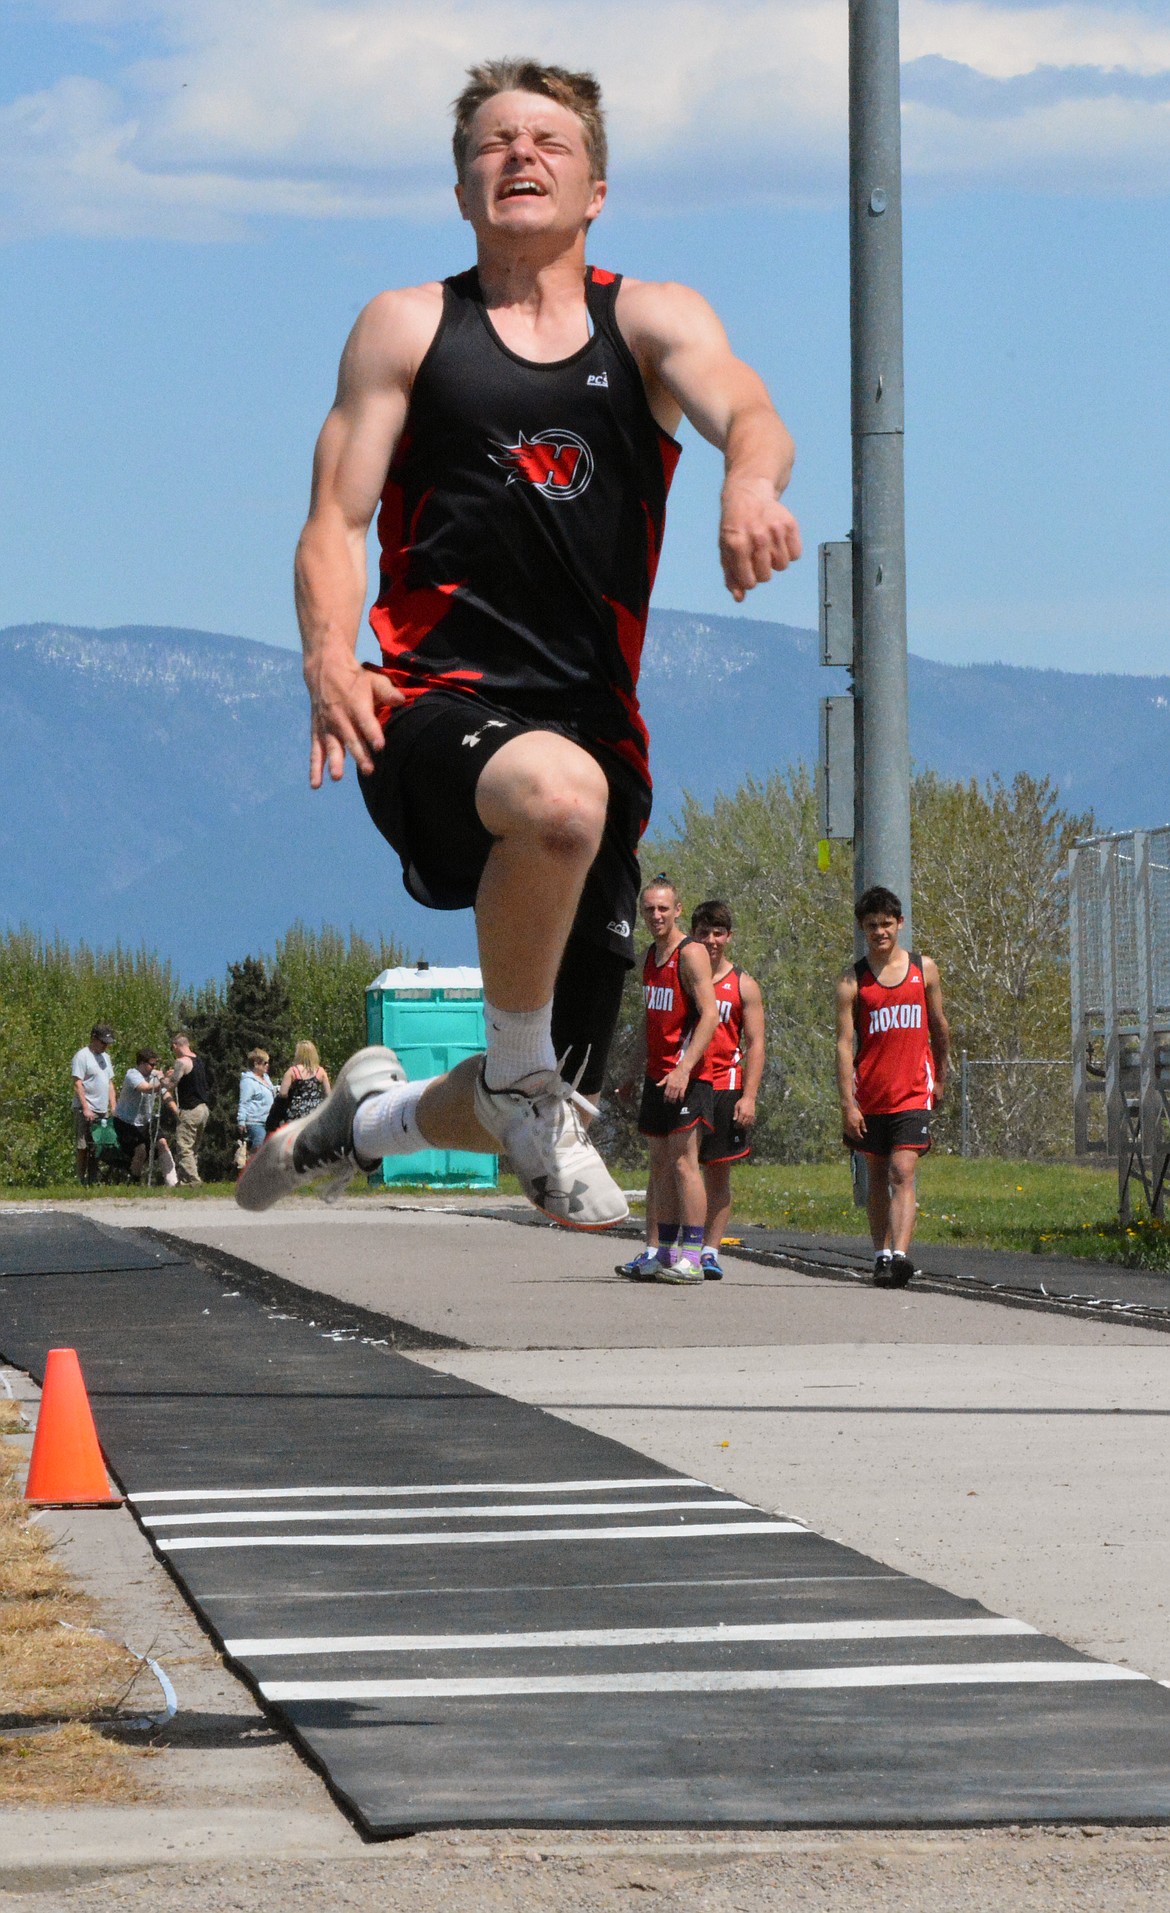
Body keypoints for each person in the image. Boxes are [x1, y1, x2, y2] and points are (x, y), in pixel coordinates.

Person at [237, 57, 800, 1227]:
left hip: (597, 730)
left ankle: (360, 1119)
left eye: (549, 141)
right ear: (460, 187)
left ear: (597, 188)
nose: (522, 156)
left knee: (535, 1083)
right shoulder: (407, 329)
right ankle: (518, 1079)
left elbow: (749, 410)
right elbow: (335, 519)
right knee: (555, 795)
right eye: (494, 142)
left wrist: (747, 484)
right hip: (429, 708)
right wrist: (327, 654)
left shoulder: (646, 320)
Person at [836, 885, 950, 1287]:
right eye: (872, 926)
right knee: (877, 1173)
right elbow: (844, 1044)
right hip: (870, 1095)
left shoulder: (924, 969)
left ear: (899, 923)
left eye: (886, 924)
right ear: (863, 929)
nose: (880, 932)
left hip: (913, 1091)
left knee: (903, 1171)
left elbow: (939, 1026)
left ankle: (901, 1255)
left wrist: (942, 1071)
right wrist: (847, 1104)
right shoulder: (853, 980)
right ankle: (881, 1255)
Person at [622, 876, 719, 1283]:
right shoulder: (649, 956)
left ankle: (693, 1256)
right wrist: (631, 1072)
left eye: (664, 908)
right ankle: (661, 1252)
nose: (656, 916)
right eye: (649, 909)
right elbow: (652, 1021)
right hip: (656, 1077)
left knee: (684, 1164)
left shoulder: (691, 953)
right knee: (659, 1164)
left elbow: (710, 1015)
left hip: (690, 1078)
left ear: (678, 910)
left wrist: (683, 1068)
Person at [691, 900, 765, 1279]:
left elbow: (755, 1042)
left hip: (726, 1087)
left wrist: (749, 1096)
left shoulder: (743, 985)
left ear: (729, 936)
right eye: (703, 932)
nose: (711, 940)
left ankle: (709, 1251)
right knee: (679, 1169)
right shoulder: (683, 977)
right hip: (687, 1086)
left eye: (718, 932)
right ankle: (677, 1246)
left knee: (717, 1175)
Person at [114, 1049, 179, 1185]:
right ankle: (135, 1181)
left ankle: (173, 1183)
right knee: (141, 1151)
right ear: (142, 1063)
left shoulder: (154, 1075)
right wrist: (163, 1080)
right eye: (151, 1064)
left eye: (155, 1064)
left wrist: (178, 1113)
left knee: (162, 1144)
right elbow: (147, 1088)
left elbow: (165, 1095)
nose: (154, 1068)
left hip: (146, 1121)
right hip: (127, 1122)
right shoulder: (132, 1075)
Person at [71, 1024, 116, 1184]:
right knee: (83, 1146)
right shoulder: (82, 1056)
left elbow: (109, 1083)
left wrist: (113, 1106)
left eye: (107, 1043)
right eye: (103, 1042)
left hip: (102, 1109)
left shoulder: (106, 1058)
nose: (105, 1046)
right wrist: (85, 1108)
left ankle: (93, 1179)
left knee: (98, 1147)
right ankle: (80, 1179)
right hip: (86, 1108)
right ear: (94, 1039)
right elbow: (77, 1083)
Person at [169, 1032, 212, 1186]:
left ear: (175, 1046)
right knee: (194, 1147)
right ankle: (184, 1180)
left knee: (184, 1146)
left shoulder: (181, 1061)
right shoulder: (198, 1061)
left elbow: (171, 1084)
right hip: (203, 1109)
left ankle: (194, 1179)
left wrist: (161, 1077)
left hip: (190, 1109)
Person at [236, 1049, 275, 1158]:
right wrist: (241, 1121)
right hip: (254, 1121)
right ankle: (251, 1166)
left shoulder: (266, 1078)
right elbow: (244, 1102)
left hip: (267, 1120)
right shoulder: (248, 1081)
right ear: (256, 1064)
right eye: (265, 1063)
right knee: (260, 1142)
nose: (267, 1065)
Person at [280, 1043, 331, 1122]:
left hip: (296, 1112)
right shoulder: (321, 1071)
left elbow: (283, 1093)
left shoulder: (292, 1071)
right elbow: (328, 1094)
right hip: (315, 1112)